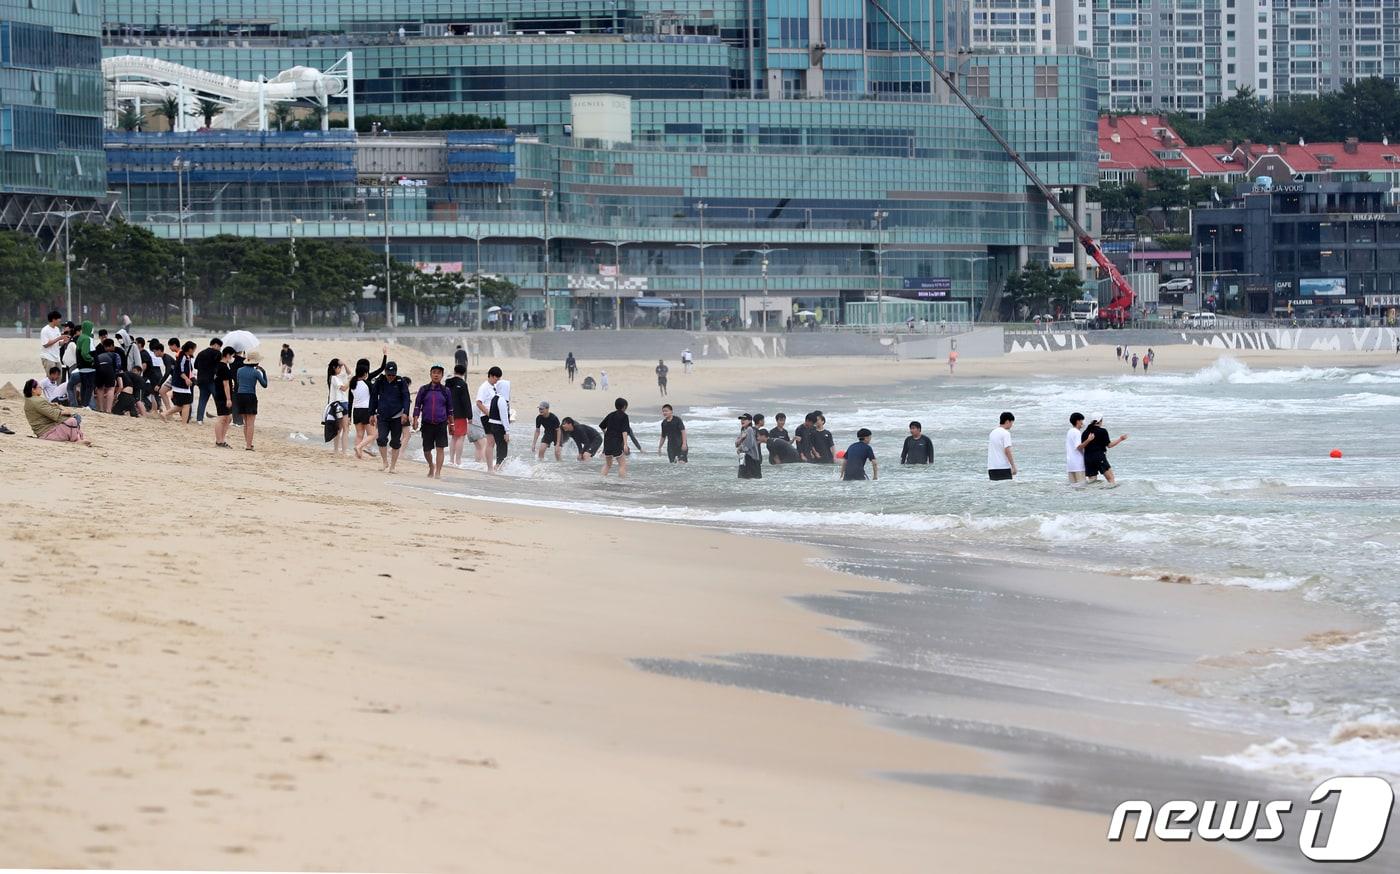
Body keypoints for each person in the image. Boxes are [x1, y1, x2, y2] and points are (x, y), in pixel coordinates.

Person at [413, 365, 453, 479]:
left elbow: (450, 409)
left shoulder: (446, 391)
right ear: (430, 374)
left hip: (441, 424)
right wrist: (415, 419)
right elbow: (417, 406)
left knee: (440, 448)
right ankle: (431, 466)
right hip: (427, 424)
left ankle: (438, 472)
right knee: (427, 450)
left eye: (439, 373)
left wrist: (452, 424)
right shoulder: (424, 389)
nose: (436, 375)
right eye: (434, 372)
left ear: (442, 375)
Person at [22, 380, 89, 445]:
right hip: (47, 432)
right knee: (72, 420)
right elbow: (52, 414)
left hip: (44, 430)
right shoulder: (37, 401)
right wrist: (65, 412)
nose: (41, 389)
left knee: (73, 419)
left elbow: (47, 410)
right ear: (33, 390)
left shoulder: (30, 400)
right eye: (39, 387)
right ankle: (76, 440)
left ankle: (78, 438)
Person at [374, 361, 411, 472]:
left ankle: (393, 466)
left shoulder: (401, 382)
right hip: (383, 416)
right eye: (389, 374)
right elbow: (373, 397)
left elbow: (406, 398)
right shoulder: (380, 381)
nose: (390, 377)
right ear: (385, 372)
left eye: (393, 374)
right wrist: (371, 413)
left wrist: (406, 413)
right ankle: (385, 462)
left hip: (397, 416)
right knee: (381, 439)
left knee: (395, 442)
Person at [475, 365, 510, 471]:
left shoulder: (495, 387)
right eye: (496, 378)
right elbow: (478, 403)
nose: (498, 380)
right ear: (491, 376)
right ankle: (490, 467)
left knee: (495, 442)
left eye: (499, 378)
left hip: (495, 418)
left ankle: (495, 465)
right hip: (487, 417)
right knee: (490, 442)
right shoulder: (484, 387)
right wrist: (490, 414)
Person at [599, 397, 643, 478]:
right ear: (624, 406)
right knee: (622, 465)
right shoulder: (624, 416)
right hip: (616, 442)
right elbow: (625, 431)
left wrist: (606, 433)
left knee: (608, 465)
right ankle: (621, 482)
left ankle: (601, 480)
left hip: (607, 442)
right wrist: (625, 444)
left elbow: (601, 426)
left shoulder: (610, 415)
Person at [1080, 412, 1127, 486]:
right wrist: (1120, 439)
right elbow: (1109, 445)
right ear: (1100, 421)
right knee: (1111, 480)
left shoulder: (1085, 432)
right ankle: (1109, 496)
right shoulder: (1102, 431)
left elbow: (1083, 446)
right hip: (1099, 457)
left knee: (1092, 482)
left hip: (1087, 458)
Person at [234, 351, 268, 450]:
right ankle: (249, 445)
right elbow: (265, 385)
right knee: (251, 423)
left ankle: (248, 443)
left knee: (245, 423)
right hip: (250, 396)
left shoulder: (239, 370)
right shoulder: (256, 372)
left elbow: (238, 382)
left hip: (240, 395)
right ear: (256, 362)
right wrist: (264, 373)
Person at [445, 363, 473, 467]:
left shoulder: (448, 382)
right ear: (464, 373)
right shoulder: (462, 384)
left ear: (454, 371)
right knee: (460, 437)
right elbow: (466, 401)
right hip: (460, 414)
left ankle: (451, 460)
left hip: (449, 414)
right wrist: (469, 416)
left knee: (453, 437)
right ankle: (458, 460)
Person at [165, 341, 197, 423]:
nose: (194, 351)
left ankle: (165, 414)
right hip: (180, 384)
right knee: (186, 403)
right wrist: (186, 379)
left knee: (182, 405)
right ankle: (183, 422)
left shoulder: (187, 356)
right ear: (190, 349)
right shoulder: (182, 356)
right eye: (193, 349)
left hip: (182, 383)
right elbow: (180, 370)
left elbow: (189, 369)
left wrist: (192, 378)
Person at [193, 338, 223, 423]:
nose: (220, 348)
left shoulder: (201, 353)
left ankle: (199, 419)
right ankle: (221, 417)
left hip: (201, 380)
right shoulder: (217, 354)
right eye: (219, 346)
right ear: (215, 345)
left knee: (202, 399)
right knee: (218, 399)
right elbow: (220, 367)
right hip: (213, 380)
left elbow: (195, 366)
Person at [212, 346, 237, 448]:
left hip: (219, 393)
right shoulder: (223, 367)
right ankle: (219, 441)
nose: (232, 358)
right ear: (227, 355)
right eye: (231, 356)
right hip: (223, 395)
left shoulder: (218, 366)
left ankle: (222, 439)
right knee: (222, 417)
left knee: (228, 417)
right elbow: (226, 384)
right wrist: (228, 399)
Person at [326, 358, 351, 455]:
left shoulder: (337, 376)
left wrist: (344, 363)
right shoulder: (333, 378)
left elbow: (349, 373)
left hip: (341, 404)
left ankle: (336, 450)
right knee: (345, 429)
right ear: (334, 368)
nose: (340, 369)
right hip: (340, 405)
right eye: (339, 367)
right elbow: (344, 388)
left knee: (340, 428)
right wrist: (350, 381)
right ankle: (343, 451)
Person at [987, 411, 1016, 481]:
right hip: (1003, 467)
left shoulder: (992, 433)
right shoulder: (1005, 433)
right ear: (1007, 421)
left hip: (992, 468)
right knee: (1006, 490)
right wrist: (1013, 466)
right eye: (1011, 422)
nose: (1012, 425)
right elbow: (1007, 450)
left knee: (995, 491)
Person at [735, 413, 762, 479]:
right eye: (741, 419)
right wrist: (742, 439)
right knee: (743, 480)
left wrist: (740, 448)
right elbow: (736, 444)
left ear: (750, 421)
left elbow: (748, 446)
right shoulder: (743, 430)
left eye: (744, 419)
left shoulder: (749, 429)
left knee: (749, 480)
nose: (742, 421)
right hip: (744, 459)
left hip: (751, 459)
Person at [1065, 412, 1089, 485]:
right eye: (1082, 420)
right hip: (1078, 464)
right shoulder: (1077, 432)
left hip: (1070, 464)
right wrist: (1089, 440)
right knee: (1081, 487)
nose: (1083, 422)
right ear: (1078, 421)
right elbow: (1079, 447)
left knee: (1073, 487)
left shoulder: (1070, 431)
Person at [39, 310, 63, 375]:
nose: (60, 320)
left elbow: (59, 343)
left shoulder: (57, 329)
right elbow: (45, 344)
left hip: (57, 357)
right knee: (51, 378)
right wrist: (59, 338)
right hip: (48, 357)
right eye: (58, 318)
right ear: (53, 319)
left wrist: (65, 341)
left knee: (59, 377)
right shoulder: (45, 330)